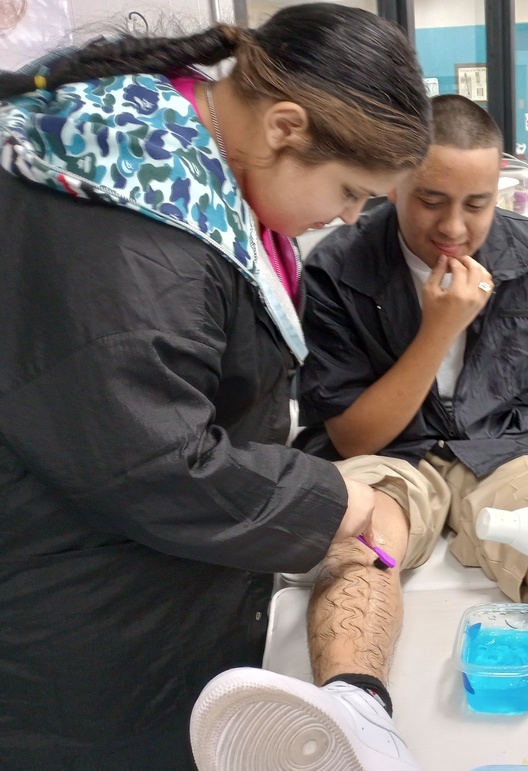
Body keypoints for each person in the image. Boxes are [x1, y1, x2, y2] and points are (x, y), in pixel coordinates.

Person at [0, 6, 430, 767]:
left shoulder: (186, 175)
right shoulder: (132, 226)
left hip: (141, 591)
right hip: (83, 642)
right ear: (286, 128)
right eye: (350, 189)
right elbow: (152, 457)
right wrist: (337, 500)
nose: (348, 215)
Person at [188, 94, 528, 770]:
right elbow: (350, 437)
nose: (454, 227)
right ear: (395, 178)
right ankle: (357, 712)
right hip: (387, 453)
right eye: (432, 199)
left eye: (477, 203)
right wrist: (439, 329)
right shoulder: (338, 268)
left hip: (510, 444)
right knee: (360, 543)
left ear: (499, 193)